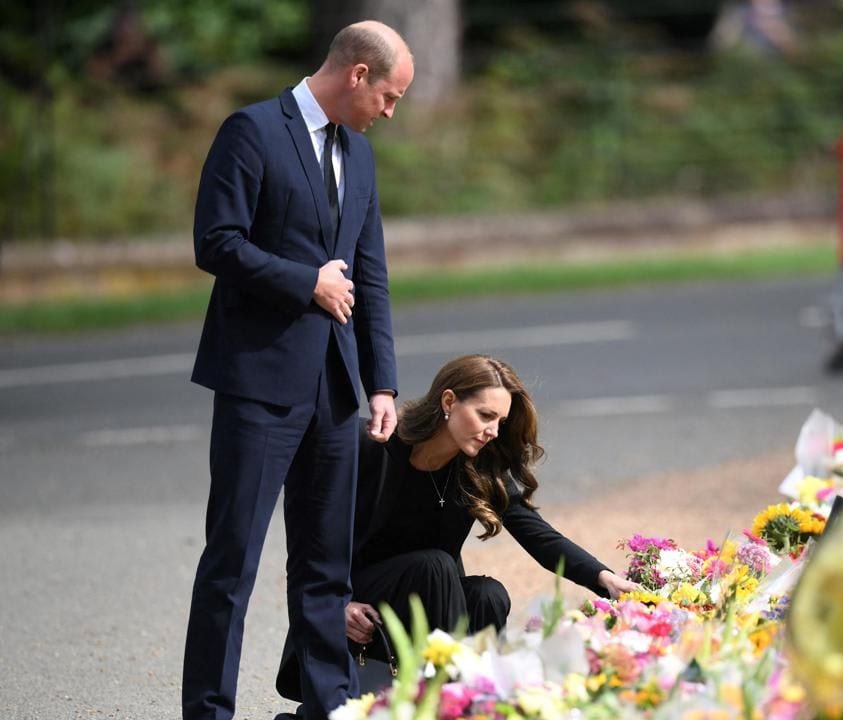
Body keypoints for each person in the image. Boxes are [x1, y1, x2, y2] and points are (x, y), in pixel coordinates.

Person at [182, 21, 413, 720]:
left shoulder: (362, 159)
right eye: (391, 97)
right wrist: (303, 282)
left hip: (337, 389)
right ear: (358, 76)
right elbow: (215, 242)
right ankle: (208, 713)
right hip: (258, 383)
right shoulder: (250, 132)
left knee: (324, 569)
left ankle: (329, 708)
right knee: (232, 565)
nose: (391, 113)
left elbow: (370, 277)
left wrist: (382, 382)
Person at [275, 355, 639, 702]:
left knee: (487, 593)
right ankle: (453, 699)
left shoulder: (478, 468)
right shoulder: (372, 445)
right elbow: (310, 534)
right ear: (449, 401)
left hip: (431, 597)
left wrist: (603, 578)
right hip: (356, 602)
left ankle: (473, 701)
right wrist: (335, 603)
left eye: (500, 421)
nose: (493, 431)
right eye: (484, 415)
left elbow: (538, 534)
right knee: (434, 565)